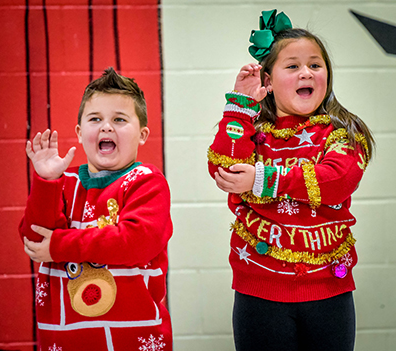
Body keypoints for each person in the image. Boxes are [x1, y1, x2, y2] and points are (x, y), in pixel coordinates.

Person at [207, 9, 375, 351]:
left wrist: (262, 180)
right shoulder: (252, 131)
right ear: (267, 82)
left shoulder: (343, 131)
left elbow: (336, 181)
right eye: (293, 65)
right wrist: (239, 105)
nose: (306, 72)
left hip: (328, 290)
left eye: (315, 64)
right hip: (258, 291)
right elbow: (224, 168)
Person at [19, 67, 173, 351]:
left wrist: (60, 246)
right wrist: (46, 181)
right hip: (63, 340)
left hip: (134, 337)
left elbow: (135, 242)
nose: (106, 127)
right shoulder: (63, 183)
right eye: (95, 119)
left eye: (119, 119)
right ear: (79, 133)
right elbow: (35, 239)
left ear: (142, 134)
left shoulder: (147, 182)